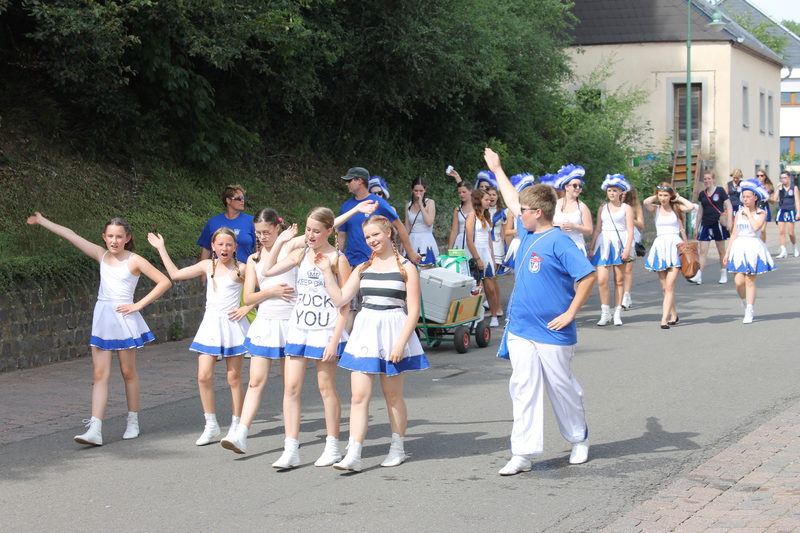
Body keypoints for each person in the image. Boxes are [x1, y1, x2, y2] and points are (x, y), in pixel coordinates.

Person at [483, 148, 597, 476]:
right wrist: (498, 169)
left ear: (537, 212)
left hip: (553, 329)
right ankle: (523, 452)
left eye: (523, 211)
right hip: (521, 328)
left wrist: (571, 313)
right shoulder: (527, 231)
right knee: (523, 387)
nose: (517, 215)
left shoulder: (560, 241)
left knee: (561, 386)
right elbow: (510, 198)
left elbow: (587, 276)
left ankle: (578, 438)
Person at [26, 213, 171, 446]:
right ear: (104, 237)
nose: (114, 241)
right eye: (110, 236)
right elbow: (71, 235)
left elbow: (164, 281)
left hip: (123, 318)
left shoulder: (134, 260)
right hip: (103, 319)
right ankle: (95, 429)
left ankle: (132, 421)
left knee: (127, 372)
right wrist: (42, 221)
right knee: (99, 374)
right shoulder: (100, 254)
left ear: (127, 238)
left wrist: (138, 305)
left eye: (119, 237)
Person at [313, 215, 429, 472]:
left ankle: (397, 448)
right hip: (366, 332)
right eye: (367, 237)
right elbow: (340, 299)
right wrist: (327, 272)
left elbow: (413, 311)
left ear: (388, 233)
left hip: (393, 332)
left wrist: (400, 344)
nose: (371, 240)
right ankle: (353, 454)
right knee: (358, 396)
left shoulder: (406, 267)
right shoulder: (362, 268)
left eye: (375, 234)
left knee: (392, 395)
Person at [260, 207, 351, 469]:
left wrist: (335, 339)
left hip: (325, 329)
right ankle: (291, 449)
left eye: (316, 231)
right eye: (308, 229)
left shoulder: (338, 259)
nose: (310, 235)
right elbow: (267, 270)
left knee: (325, 388)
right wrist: (280, 241)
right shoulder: (300, 254)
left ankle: (332, 447)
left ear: (329, 231)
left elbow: (345, 303)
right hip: (299, 327)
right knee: (290, 388)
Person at [149, 228, 252, 445]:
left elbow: (263, 289)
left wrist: (247, 307)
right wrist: (161, 248)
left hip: (232, 325)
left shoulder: (241, 269)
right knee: (203, 376)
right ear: (213, 246)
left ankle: (237, 424)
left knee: (233, 378)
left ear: (235, 247)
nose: (224, 248)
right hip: (210, 325)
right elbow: (175, 274)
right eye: (220, 244)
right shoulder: (207, 266)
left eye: (229, 244)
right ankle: (211, 424)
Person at [220, 208, 295, 454]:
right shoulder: (254, 259)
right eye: (258, 233)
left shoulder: (291, 249)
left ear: (277, 228)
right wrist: (271, 291)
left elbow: (322, 227)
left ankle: (290, 444)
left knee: (290, 386)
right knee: (255, 381)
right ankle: (241, 434)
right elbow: (249, 297)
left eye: (266, 232)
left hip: (291, 322)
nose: (262, 237)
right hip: (265, 323)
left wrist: (356, 209)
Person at [338, 167, 420, 267]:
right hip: (352, 263)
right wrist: (336, 257)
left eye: (349, 181)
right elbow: (341, 236)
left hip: (377, 262)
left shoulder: (379, 202)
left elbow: (399, 226)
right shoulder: (346, 207)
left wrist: (410, 252)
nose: (347, 184)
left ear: (359, 181)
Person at [723, 179, 777, 323]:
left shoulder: (761, 213)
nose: (745, 199)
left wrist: (749, 214)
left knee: (750, 280)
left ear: (755, 198)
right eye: (744, 197)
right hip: (739, 247)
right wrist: (727, 252)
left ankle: (750, 309)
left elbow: (756, 227)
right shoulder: (739, 212)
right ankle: (745, 300)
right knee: (739, 282)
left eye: (748, 197)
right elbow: (734, 234)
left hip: (753, 245)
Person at [642, 184, 694, 328]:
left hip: (674, 246)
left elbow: (690, 207)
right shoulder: (656, 209)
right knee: (665, 287)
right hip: (660, 247)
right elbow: (646, 202)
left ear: (670, 196)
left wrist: (677, 197)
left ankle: (664, 319)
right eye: (660, 195)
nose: (663, 198)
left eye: (665, 195)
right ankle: (674, 314)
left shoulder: (676, 208)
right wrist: (657, 194)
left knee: (670, 286)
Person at [589, 174, 634, 326]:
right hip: (604, 244)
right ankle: (605, 312)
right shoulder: (602, 208)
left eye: (615, 190)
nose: (612, 193)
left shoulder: (626, 208)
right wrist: (591, 248)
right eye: (609, 190)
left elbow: (630, 230)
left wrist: (627, 249)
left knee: (619, 280)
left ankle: (617, 313)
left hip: (619, 243)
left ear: (621, 192)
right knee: (602, 280)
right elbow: (597, 229)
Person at [197, 185, 256, 272]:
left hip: (245, 272)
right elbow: (206, 248)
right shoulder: (213, 222)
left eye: (243, 198)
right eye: (239, 198)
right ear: (228, 200)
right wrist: (202, 274)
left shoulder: (251, 221)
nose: (242, 200)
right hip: (218, 273)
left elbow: (260, 248)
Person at [465, 189, 502, 326]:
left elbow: (489, 239)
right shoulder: (471, 216)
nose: (489, 201)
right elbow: (469, 239)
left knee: (490, 288)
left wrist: (492, 258)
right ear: (478, 200)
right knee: (475, 287)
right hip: (475, 252)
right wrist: (477, 258)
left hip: (486, 252)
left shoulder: (486, 216)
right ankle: (474, 317)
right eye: (486, 199)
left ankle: (494, 316)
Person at [689, 171, 732, 285]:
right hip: (706, 224)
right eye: (705, 179)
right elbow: (700, 212)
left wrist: (730, 221)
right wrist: (696, 227)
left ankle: (723, 273)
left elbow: (729, 205)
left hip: (718, 223)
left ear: (713, 179)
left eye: (709, 178)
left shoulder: (720, 191)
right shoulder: (702, 194)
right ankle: (699, 275)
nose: (707, 181)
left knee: (721, 250)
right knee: (703, 251)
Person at [552, 165, 593, 255]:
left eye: (580, 186)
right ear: (566, 187)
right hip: (558, 245)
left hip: (576, 246)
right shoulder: (554, 204)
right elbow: (546, 225)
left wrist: (575, 226)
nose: (578, 188)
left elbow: (589, 230)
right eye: (575, 185)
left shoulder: (582, 207)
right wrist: (558, 226)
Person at [500, 174, 536, 274]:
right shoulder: (512, 211)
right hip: (518, 242)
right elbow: (507, 231)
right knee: (519, 273)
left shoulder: (537, 209)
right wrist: (518, 230)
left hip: (532, 242)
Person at [405, 177, 439, 265]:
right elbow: (407, 227)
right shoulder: (408, 205)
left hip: (426, 239)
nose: (418, 194)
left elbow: (429, 222)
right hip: (412, 239)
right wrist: (403, 243)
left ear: (425, 190)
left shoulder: (430, 202)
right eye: (416, 191)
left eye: (421, 191)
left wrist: (421, 205)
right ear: (412, 190)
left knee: (426, 266)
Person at [620, 187, 644, 309]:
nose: (623, 195)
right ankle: (621, 295)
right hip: (618, 239)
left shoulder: (635, 207)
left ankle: (626, 295)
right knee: (620, 271)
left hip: (632, 239)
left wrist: (629, 218)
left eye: (625, 193)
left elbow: (641, 224)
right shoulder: (615, 206)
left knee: (628, 270)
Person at [772, 171, 800, 258]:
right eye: (782, 178)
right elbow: (774, 199)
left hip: (790, 209)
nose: (783, 179)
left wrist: (798, 212)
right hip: (782, 209)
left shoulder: (794, 187)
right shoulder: (781, 188)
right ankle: (783, 250)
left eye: (785, 178)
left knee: (791, 232)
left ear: (789, 178)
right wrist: (778, 189)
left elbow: (797, 200)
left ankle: (795, 247)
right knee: (781, 231)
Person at [447, 180, 474, 255]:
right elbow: (454, 231)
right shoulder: (458, 209)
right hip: (461, 239)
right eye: (459, 193)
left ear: (470, 191)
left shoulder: (477, 207)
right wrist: (450, 250)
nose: (461, 194)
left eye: (464, 192)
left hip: (474, 238)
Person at [756, 170, 774, 243]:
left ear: (765, 176)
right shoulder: (755, 186)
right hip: (756, 207)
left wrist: (767, 198)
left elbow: (772, 201)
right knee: (756, 229)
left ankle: (763, 245)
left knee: (762, 230)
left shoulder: (769, 187)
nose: (760, 177)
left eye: (761, 175)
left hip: (764, 208)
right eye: (758, 176)